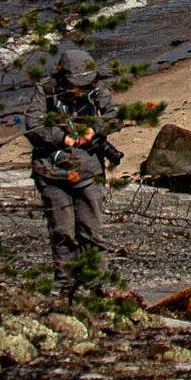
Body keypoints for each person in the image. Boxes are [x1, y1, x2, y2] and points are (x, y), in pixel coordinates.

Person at [27, 56, 121, 289]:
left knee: (93, 235)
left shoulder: (96, 88)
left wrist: (94, 129)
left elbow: (116, 115)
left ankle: (97, 288)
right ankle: (65, 289)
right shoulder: (46, 89)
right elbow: (31, 124)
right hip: (52, 174)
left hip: (89, 174)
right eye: (75, 83)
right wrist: (62, 138)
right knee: (62, 235)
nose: (80, 88)